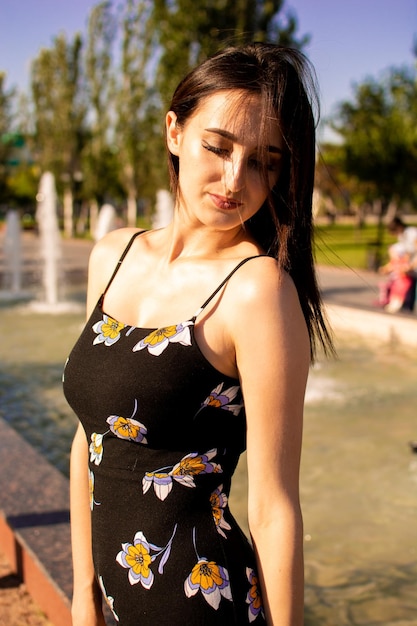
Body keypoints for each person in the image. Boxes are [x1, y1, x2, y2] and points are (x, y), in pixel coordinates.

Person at [63, 42, 333, 626]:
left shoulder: (257, 289)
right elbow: (88, 443)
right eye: (218, 146)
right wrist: (83, 594)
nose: (235, 178)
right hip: (111, 601)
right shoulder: (113, 255)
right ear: (175, 132)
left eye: (265, 160)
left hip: (201, 602)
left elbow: (273, 504)